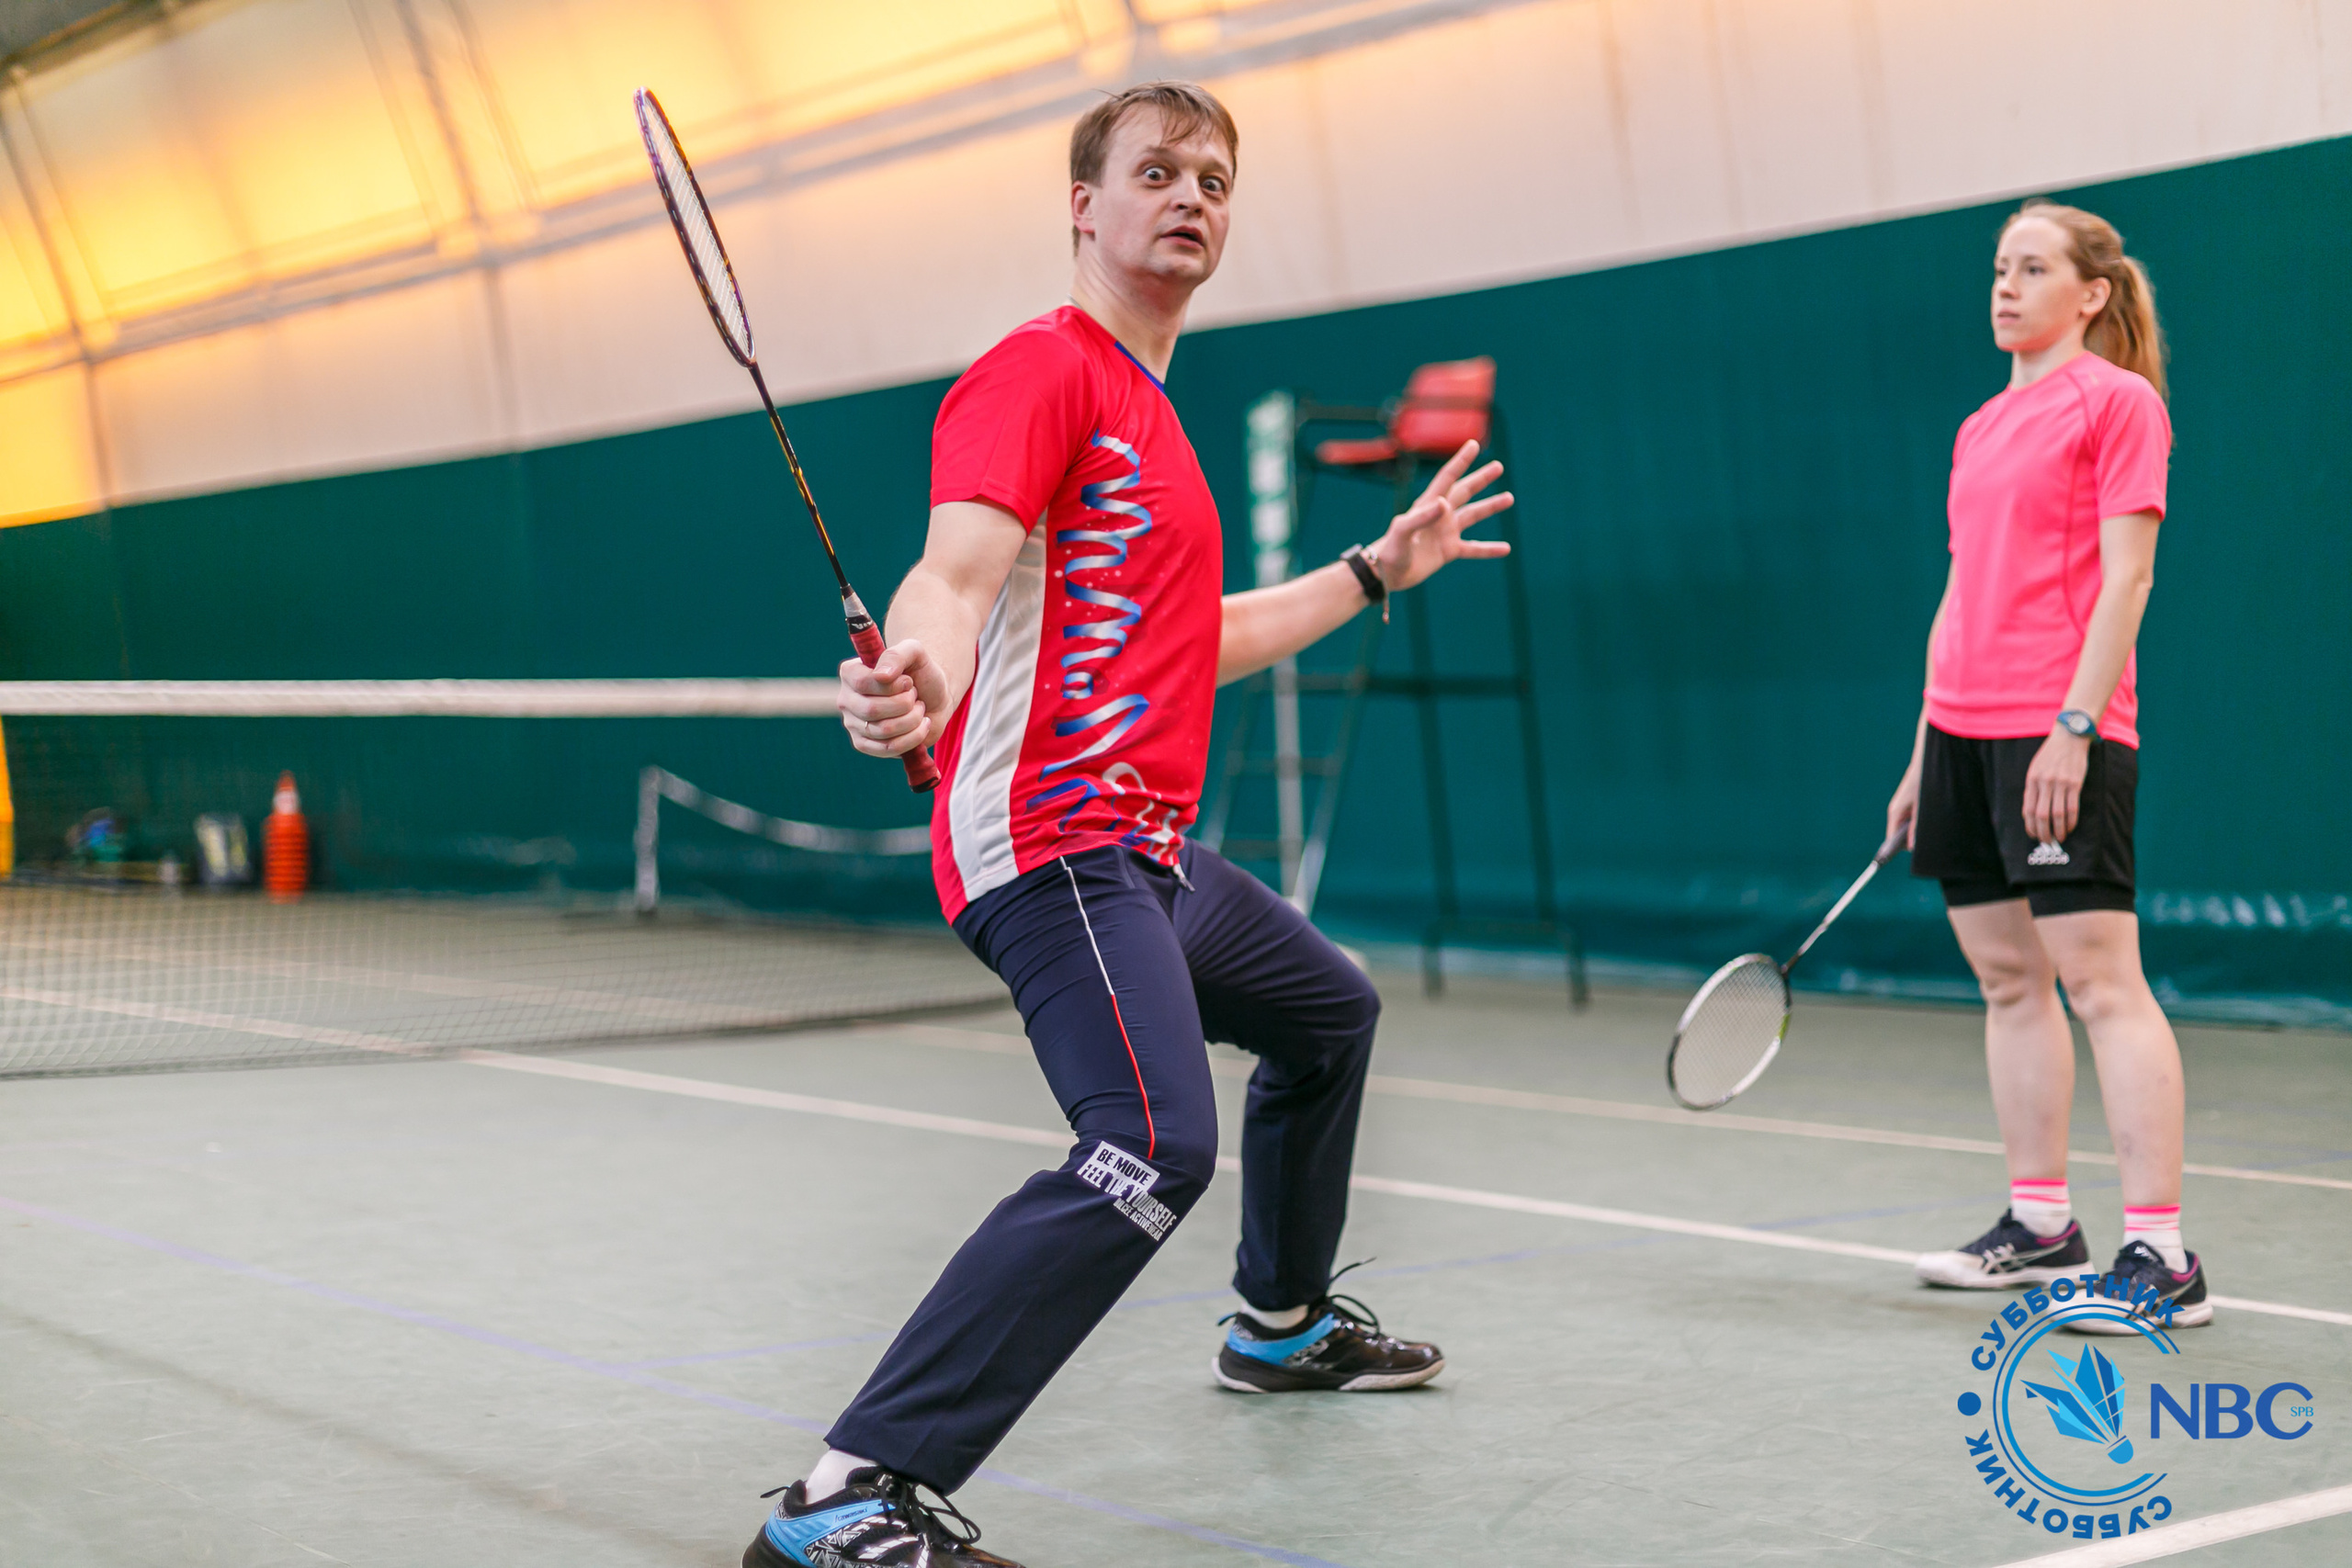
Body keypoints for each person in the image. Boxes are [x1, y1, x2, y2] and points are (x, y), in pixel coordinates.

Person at [743, 82, 1516, 1568]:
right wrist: (920, 673)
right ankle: (848, 1490)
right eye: (1156, 171)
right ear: (1083, 208)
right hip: (1050, 835)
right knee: (1150, 1142)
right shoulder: (1038, 376)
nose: (1191, 196)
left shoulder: (1152, 424)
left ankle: (1280, 1328)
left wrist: (1377, 567)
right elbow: (954, 580)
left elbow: (1199, 637)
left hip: (1146, 852)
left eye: (1215, 178)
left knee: (1327, 1013)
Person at [1887, 200, 2207, 1333]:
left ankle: (2161, 1255)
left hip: (2056, 727)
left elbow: (2127, 580)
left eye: (2032, 269)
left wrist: (2073, 727)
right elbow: (1960, 591)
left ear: (2092, 295)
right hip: (1964, 732)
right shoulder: (1981, 424)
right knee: (2007, 981)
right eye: (1998, 268)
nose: (2005, 288)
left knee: (2100, 984)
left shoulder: (2118, 405)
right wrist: (1926, 746)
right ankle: (2039, 1227)